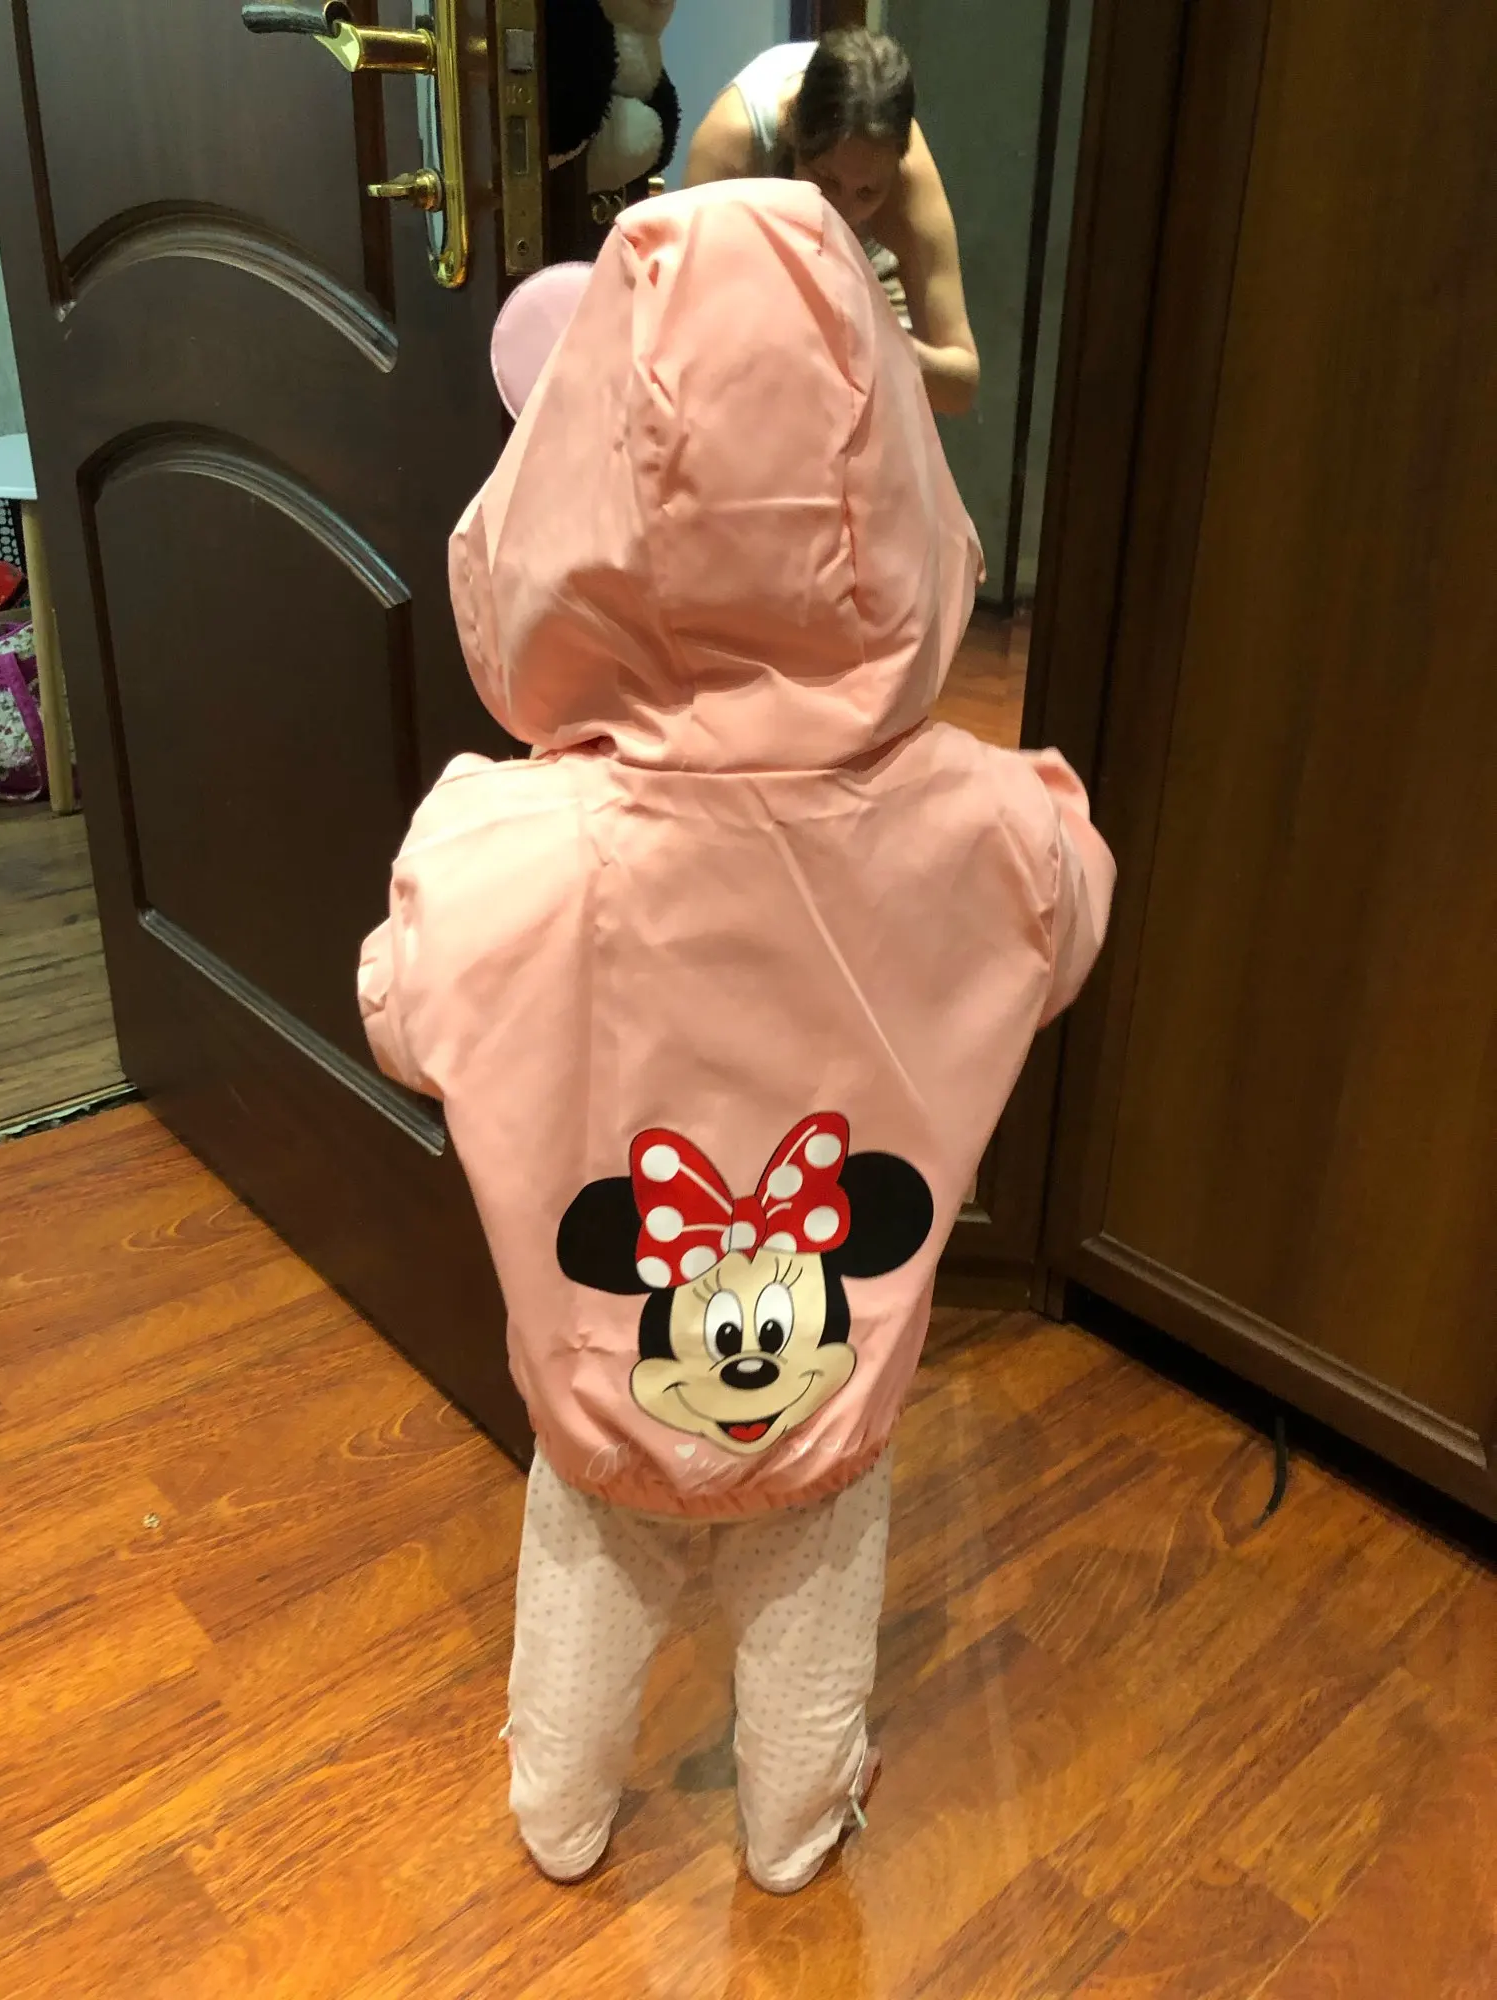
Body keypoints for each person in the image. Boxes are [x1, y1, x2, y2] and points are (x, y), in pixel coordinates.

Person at [358, 178, 1112, 1895]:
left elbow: (401, 1010)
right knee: (813, 1596)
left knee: (588, 1568)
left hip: (599, 1394)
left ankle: (561, 1813)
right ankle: (790, 1829)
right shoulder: (990, 829)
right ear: (894, 489)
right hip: (836, 1390)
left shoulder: (502, 852)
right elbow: (1067, 921)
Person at [684, 29, 980, 416]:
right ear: (791, 129)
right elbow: (687, 347)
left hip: (866, 309)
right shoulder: (733, 149)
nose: (842, 213)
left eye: (867, 192)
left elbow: (959, 385)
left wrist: (879, 344)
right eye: (827, 181)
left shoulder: (904, 177)